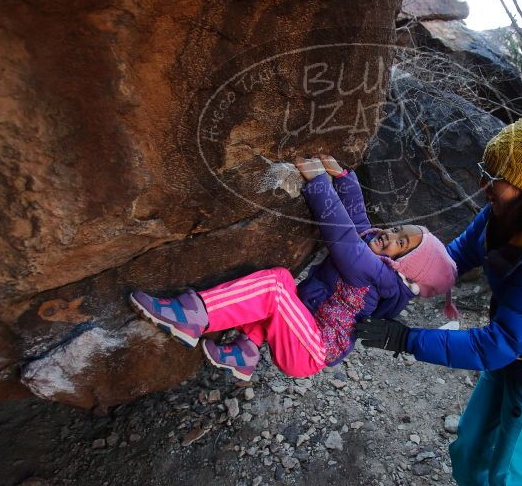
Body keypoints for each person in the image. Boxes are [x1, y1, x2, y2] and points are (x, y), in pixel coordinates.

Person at [355, 114, 522, 486]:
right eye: (485, 170)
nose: (483, 184)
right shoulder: (503, 215)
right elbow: (453, 259)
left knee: (512, 481)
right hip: (511, 354)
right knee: (470, 447)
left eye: (494, 177)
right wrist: (400, 284)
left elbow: (496, 343)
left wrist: (405, 339)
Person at [129, 155, 457, 381]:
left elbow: (344, 237)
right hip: (307, 330)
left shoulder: (375, 275)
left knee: (274, 288)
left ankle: (193, 315)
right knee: (284, 288)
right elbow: (359, 222)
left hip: (311, 351)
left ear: (404, 271)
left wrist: (319, 184)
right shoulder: (377, 260)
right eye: (399, 230)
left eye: (401, 244)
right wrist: (344, 178)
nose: (391, 235)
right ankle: (244, 353)